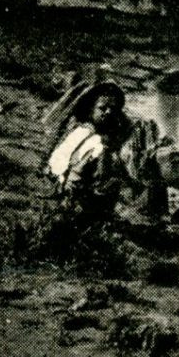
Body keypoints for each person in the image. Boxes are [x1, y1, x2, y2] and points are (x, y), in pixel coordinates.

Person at [40, 82, 137, 248]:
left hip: (76, 191)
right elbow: (67, 169)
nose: (108, 112)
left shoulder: (101, 134)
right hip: (76, 196)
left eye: (112, 109)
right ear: (91, 108)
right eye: (102, 108)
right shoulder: (87, 136)